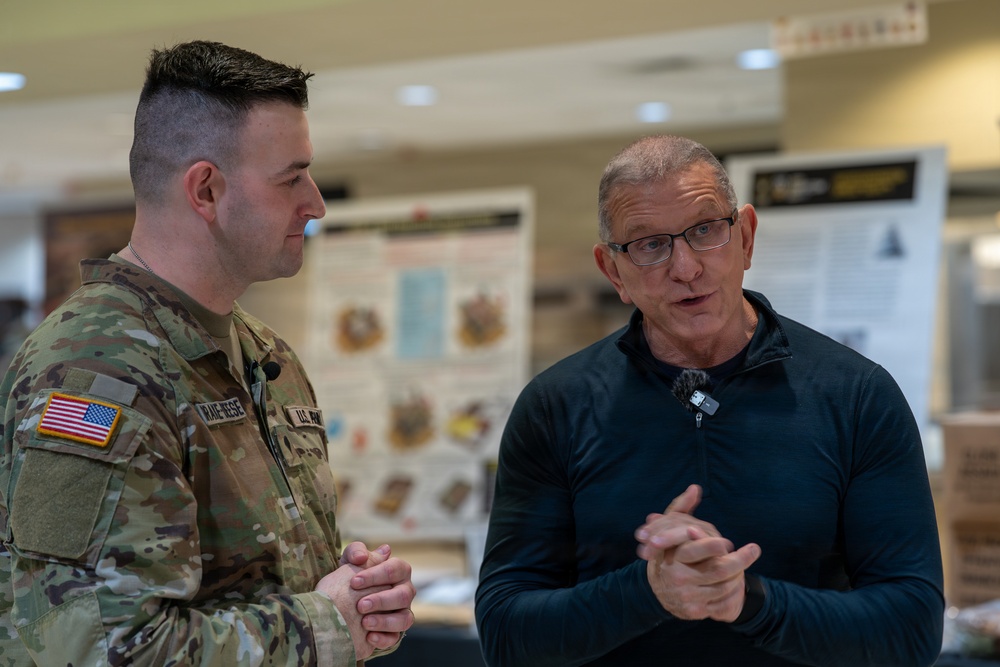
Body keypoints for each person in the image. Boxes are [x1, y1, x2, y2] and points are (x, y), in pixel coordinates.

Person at [0, 41, 414, 665]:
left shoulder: (266, 355)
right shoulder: (97, 371)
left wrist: (358, 597)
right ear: (207, 190)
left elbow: (261, 578)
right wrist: (327, 626)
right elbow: (98, 649)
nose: (315, 203)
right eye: (291, 178)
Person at [475, 134, 944, 666]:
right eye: (649, 244)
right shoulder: (555, 406)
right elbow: (505, 635)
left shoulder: (856, 396)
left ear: (745, 236)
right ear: (613, 272)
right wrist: (648, 591)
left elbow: (912, 629)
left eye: (704, 231)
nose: (685, 267)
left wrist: (746, 600)